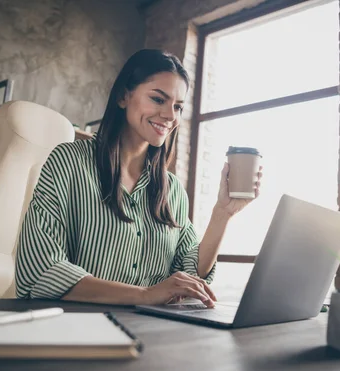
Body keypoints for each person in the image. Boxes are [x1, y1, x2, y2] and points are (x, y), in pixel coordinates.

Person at [15, 49, 262, 308]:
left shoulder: (173, 190)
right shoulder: (69, 162)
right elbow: (40, 272)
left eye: (178, 107)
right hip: (81, 328)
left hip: (155, 329)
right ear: (123, 96)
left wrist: (222, 213)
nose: (170, 115)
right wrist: (144, 295)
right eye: (158, 99)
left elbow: (191, 272)